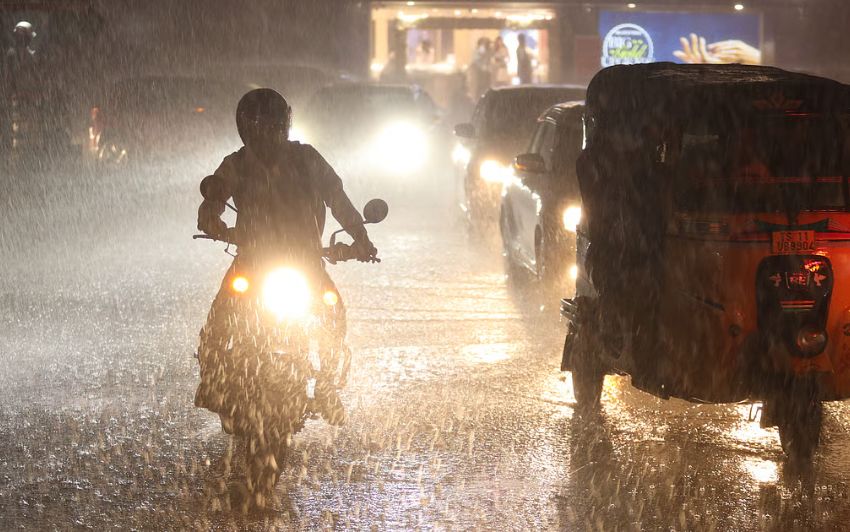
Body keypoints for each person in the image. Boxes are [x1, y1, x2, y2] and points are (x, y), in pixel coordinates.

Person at [194, 88, 377, 424]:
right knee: (220, 319)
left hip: (304, 263)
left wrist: (361, 238)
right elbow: (212, 201)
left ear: (285, 125)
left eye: (273, 125)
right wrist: (213, 223)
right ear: (246, 128)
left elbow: (338, 200)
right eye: (259, 126)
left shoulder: (308, 160)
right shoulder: (235, 165)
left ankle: (327, 384)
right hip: (251, 261)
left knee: (332, 314)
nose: (267, 133)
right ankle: (212, 382)